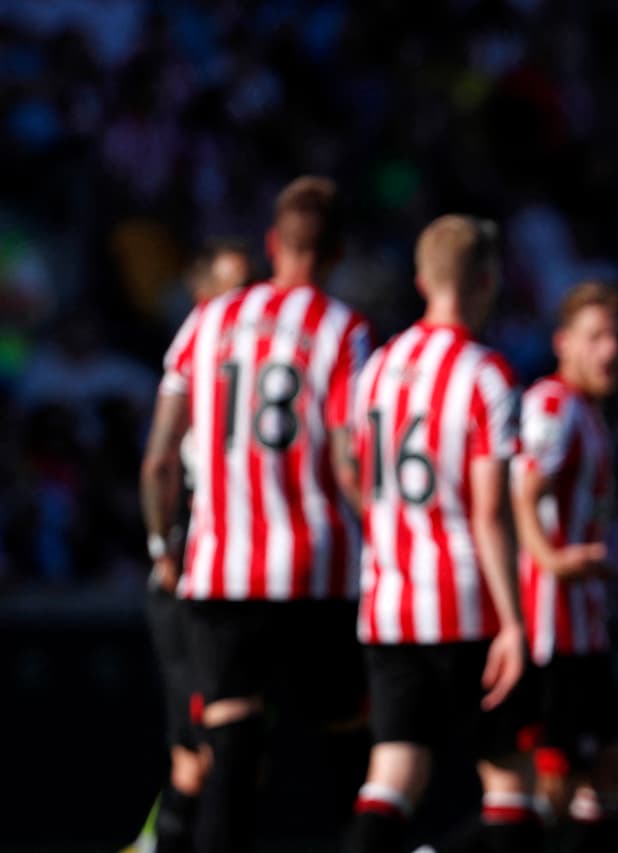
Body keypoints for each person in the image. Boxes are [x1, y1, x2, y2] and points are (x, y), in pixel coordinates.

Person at [139, 176, 373, 853]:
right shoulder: (342, 330)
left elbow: (158, 459)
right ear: (336, 253)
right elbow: (351, 455)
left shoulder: (207, 323)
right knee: (350, 755)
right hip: (316, 567)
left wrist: (163, 543)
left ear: (274, 243)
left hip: (221, 567)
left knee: (230, 756)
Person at [345, 214, 541, 853]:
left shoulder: (374, 369)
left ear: (421, 280)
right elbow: (488, 512)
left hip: (388, 604)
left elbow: (349, 467)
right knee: (513, 793)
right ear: (486, 281)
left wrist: (382, 525)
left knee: (393, 777)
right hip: (464, 606)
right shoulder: (485, 375)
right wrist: (513, 621)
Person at [126, 240, 252, 853]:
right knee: (202, 752)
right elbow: (158, 465)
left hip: (231, 579)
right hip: (188, 581)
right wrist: (162, 549)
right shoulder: (199, 354)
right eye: (232, 287)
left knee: (227, 748)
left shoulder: (245, 375)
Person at [512, 281, 618, 852]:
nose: (609, 350)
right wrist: (550, 560)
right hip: (548, 631)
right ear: (563, 343)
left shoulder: (587, 412)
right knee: (549, 788)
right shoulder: (554, 404)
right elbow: (521, 489)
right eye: (595, 337)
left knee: (607, 766)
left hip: (582, 625)